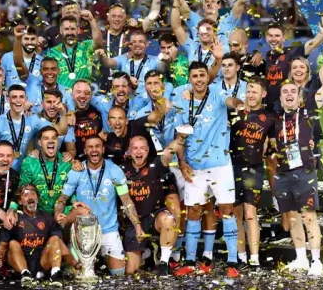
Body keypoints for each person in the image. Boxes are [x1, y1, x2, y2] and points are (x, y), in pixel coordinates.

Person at [170, 61, 245, 278]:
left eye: (202, 75)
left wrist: (238, 104)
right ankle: (190, 261)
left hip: (220, 165)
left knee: (227, 210)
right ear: (190, 79)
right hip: (194, 166)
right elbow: (180, 136)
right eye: (195, 76)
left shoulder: (217, 93)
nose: (199, 79)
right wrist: (182, 163)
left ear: (207, 77)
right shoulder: (183, 101)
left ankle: (233, 261)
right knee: (193, 212)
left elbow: (230, 101)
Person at [271, 42, 323, 277]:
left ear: (299, 95)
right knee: (292, 217)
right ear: (281, 98)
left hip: (304, 171)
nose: (289, 95)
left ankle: (316, 260)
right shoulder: (275, 119)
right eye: (285, 92)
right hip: (283, 172)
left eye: (293, 91)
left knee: (309, 216)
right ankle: (300, 258)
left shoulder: (308, 110)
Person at [55, 136, 144, 276]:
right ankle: (76, 254)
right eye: (90, 147)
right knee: (82, 275)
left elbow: (126, 201)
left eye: (97, 146)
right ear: (85, 150)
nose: (94, 149)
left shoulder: (114, 171)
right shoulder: (76, 171)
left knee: (119, 274)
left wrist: (137, 226)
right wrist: (57, 214)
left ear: (103, 149)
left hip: (108, 230)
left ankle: (101, 259)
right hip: (84, 230)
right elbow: (62, 199)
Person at [230, 77, 275, 268]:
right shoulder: (235, 114)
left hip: (254, 169)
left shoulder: (269, 118)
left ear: (263, 94)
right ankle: (240, 256)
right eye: (248, 91)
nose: (250, 95)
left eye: (254, 91)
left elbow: (272, 146)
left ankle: (254, 258)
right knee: (236, 214)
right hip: (232, 167)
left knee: (250, 213)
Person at [262, 7, 323, 108]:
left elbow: (313, 43)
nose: (273, 39)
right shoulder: (265, 57)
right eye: (270, 35)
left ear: (284, 38)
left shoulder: (291, 53)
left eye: (277, 36)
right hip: (270, 109)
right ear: (266, 37)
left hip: (288, 106)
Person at [122, 136, 180, 275]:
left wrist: (182, 137)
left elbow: (169, 151)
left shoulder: (156, 164)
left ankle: (163, 263)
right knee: (131, 270)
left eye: (143, 148)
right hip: (133, 221)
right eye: (135, 148)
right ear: (129, 151)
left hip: (154, 217)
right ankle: (148, 249)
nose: (139, 151)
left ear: (148, 150)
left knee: (168, 219)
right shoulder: (121, 170)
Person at [0, 85, 67, 173]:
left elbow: (61, 131)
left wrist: (63, 114)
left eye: (21, 97)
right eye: (14, 97)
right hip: (0, 170)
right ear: (8, 99)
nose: (18, 100)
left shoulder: (33, 120)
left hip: (21, 172)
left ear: (26, 99)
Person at [0, 184, 64, 283]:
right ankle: (25, 274)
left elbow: (59, 245)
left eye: (33, 193)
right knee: (13, 243)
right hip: (20, 264)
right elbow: (2, 247)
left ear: (38, 198)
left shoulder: (48, 218)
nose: (30, 197)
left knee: (55, 238)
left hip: (42, 263)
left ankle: (56, 274)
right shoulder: (13, 219)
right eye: (25, 195)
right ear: (20, 201)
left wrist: (75, 264)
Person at [45, 12, 102, 88]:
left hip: (82, 93)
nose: (70, 32)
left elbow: (98, 42)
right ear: (61, 31)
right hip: (61, 94)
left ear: (77, 30)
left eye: (72, 29)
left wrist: (91, 20)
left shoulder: (86, 46)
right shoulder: (52, 52)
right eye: (66, 29)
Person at [98, 29, 164, 95]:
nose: (137, 44)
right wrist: (102, 57)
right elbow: (107, 62)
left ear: (147, 44)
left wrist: (166, 60)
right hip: (126, 99)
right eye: (134, 42)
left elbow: (164, 67)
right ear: (129, 44)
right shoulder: (123, 59)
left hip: (148, 100)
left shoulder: (154, 60)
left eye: (140, 41)